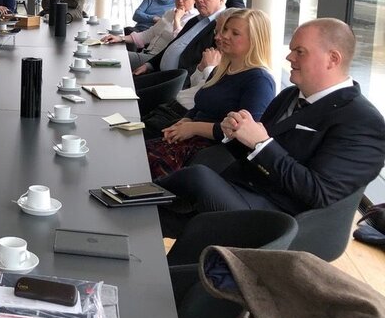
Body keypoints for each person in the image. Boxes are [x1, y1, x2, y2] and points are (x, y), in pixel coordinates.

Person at [157, 18, 385, 233]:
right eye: (292, 49)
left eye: (299, 52)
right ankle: (134, 204)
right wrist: (234, 133)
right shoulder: (289, 95)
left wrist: (261, 143)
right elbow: (251, 152)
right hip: (240, 189)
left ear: (332, 59)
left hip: (277, 219)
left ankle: (133, 197)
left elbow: (319, 192)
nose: (289, 58)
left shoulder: (364, 123)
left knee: (196, 177)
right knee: (158, 216)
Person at [145, 9, 275, 179]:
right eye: (225, 30)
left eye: (235, 33)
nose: (224, 36)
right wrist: (185, 120)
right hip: (189, 140)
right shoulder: (222, 70)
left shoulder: (259, 80)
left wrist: (193, 128)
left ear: (255, 40)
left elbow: (243, 134)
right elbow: (200, 105)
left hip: (209, 154)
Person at [141, 8, 238, 138]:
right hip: (172, 107)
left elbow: (211, 97)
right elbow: (196, 84)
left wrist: (209, 68)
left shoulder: (236, 68)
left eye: (225, 31)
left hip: (181, 115)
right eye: (217, 31)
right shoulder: (218, 55)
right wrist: (200, 69)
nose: (217, 37)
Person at [133, 0, 227, 83]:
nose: (199, 0)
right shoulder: (196, 20)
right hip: (160, 73)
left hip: (177, 83)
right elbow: (173, 45)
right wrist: (149, 65)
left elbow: (205, 65)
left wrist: (177, 82)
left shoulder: (223, 26)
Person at [104, 0, 197, 69]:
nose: (180, 0)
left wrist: (177, 20)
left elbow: (178, 44)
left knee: (117, 56)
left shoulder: (194, 20)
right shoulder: (170, 13)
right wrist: (120, 38)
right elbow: (150, 33)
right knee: (109, 51)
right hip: (146, 53)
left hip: (156, 60)